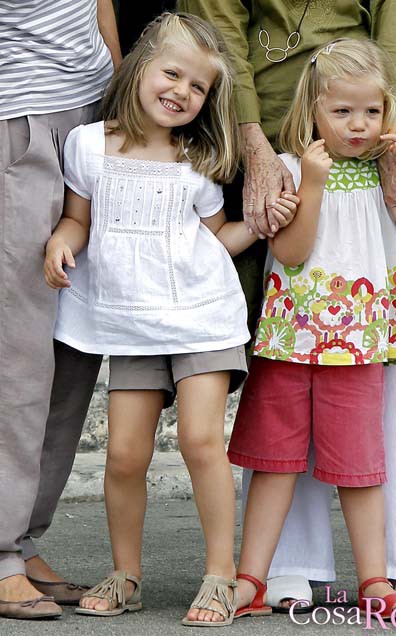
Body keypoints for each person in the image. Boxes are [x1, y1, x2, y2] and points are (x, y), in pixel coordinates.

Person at [178, 0, 396, 612]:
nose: (357, 125)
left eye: (370, 112)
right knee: (277, 454)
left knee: (361, 458)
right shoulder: (294, 168)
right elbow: (294, 250)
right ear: (313, 113)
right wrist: (308, 182)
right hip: (290, 340)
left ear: (387, 114)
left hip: (359, 345)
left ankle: (378, 579)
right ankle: (258, 575)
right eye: (341, 112)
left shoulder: (387, 163)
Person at [43, 12, 297, 626]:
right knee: (125, 455)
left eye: (198, 86)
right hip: (131, 319)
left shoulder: (200, 157)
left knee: (201, 441)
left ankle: (219, 575)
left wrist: (265, 219)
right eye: (172, 73)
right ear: (138, 68)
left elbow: (214, 240)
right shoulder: (90, 145)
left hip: (202, 316)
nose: (182, 91)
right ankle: (126, 572)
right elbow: (81, 217)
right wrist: (62, 238)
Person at [0, 0, 121, 621]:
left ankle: (23, 538)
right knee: (18, 352)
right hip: (18, 116)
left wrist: (122, 108)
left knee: (74, 345)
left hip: (92, 116)